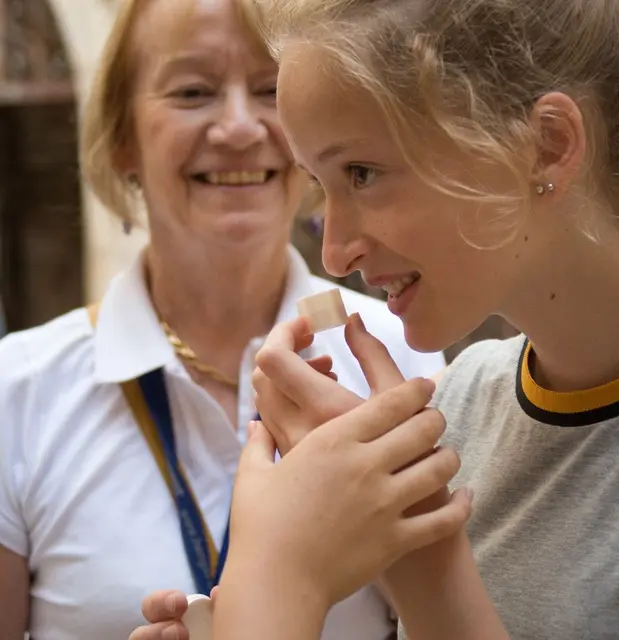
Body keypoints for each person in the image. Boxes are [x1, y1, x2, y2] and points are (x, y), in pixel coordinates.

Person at [140, 0, 619, 637]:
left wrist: (282, 577)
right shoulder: (461, 404)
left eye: (362, 173)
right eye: (322, 188)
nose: (334, 252)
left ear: (546, 145)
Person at [0, 0, 446, 638]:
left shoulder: (408, 358)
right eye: (192, 91)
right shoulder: (17, 390)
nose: (239, 126)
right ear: (122, 135)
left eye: (271, 89)